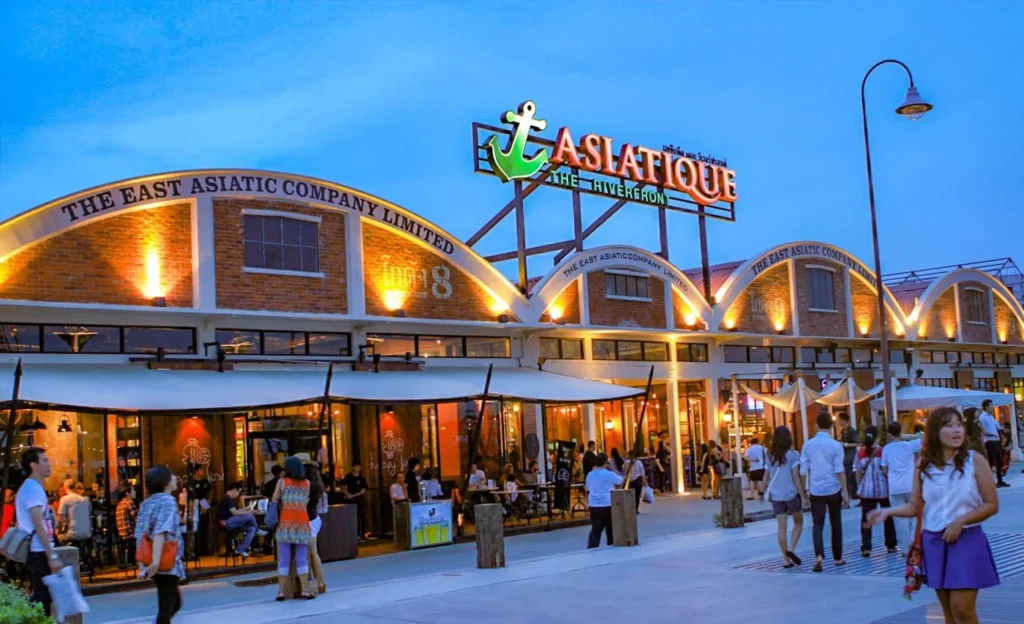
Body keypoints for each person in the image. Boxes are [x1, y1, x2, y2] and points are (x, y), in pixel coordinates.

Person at [868, 407, 1000, 624]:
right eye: (949, 426)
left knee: (962, 609)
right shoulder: (923, 464)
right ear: (935, 431)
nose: (957, 430)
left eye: (959, 425)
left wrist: (961, 521)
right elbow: (914, 506)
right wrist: (888, 511)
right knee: (948, 611)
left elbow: (992, 504)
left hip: (967, 539)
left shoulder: (975, 461)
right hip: (934, 541)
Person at [135, 465, 185, 624]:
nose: (175, 477)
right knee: (166, 607)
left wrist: (144, 564)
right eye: (171, 475)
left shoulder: (146, 503)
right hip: (165, 561)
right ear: (165, 482)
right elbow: (160, 531)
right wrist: (156, 562)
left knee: (173, 603)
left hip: (154, 559)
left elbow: (140, 533)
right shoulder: (168, 501)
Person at [800, 411, 849, 572]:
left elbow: (803, 471)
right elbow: (839, 470)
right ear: (831, 426)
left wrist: (803, 491)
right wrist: (845, 492)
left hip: (816, 489)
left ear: (816, 425)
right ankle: (838, 557)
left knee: (817, 524)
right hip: (833, 488)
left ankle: (819, 555)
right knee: (836, 522)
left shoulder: (808, 445)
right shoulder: (835, 445)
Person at [16, 448, 63, 616]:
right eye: (44, 460)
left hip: (40, 549)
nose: (49, 464)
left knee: (44, 594)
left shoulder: (33, 488)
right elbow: (39, 525)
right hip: (38, 550)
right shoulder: (32, 489)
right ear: (33, 465)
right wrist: (52, 556)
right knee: (42, 596)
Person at [765, 426, 808, 568]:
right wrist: (803, 494)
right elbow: (796, 476)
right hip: (791, 494)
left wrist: (761, 490)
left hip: (776, 495)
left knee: (781, 528)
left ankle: (785, 559)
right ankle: (792, 549)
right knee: (798, 523)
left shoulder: (769, 454)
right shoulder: (793, 455)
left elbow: (766, 475)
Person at [273, 456, 313, 600]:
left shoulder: (282, 482)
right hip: (302, 523)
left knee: (284, 559)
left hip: (286, 523)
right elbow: (305, 501)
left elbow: (274, 499)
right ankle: (305, 590)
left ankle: (281, 591)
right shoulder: (307, 483)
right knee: (302, 559)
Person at [881, 420, 922, 555]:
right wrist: (909, 436)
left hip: (894, 487)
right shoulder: (909, 446)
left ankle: (904, 548)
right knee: (914, 515)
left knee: (899, 518)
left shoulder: (886, 449)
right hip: (910, 485)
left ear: (889, 433)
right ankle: (914, 541)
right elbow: (925, 437)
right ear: (901, 431)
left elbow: (884, 468)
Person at [855, 426, 897, 557]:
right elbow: (886, 469)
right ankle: (890, 545)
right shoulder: (882, 451)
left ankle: (866, 547)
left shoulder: (860, 453)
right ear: (877, 437)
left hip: (867, 491)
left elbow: (858, 472)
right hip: (883, 489)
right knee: (888, 516)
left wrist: (859, 486)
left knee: (866, 518)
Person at [584, 453, 623, 548]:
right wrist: (613, 468)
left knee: (596, 530)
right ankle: (611, 545)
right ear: (606, 463)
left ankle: (592, 548)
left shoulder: (590, 474)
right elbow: (621, 480)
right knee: (610, 529)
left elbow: (588, 488)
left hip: (594, 504)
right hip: (608, 503)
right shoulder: (609, 474)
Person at [218, 481, 260, 558]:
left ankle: (240, 549)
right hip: (228, 521)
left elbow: (236, 511)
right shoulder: (227, 498)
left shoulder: (229, 499)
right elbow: (234, 512)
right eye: (238, 492)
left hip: (233, 521)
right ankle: (258, 530)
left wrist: (247, 508)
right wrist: (249, 511)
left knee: (251, 529)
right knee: (250, 516)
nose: (238, 495)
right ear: (234, 489)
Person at [304, 461, 327, 595]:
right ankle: (320, 581)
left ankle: (320, 581)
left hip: (309, 519)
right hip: (314, 518)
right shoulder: (319, 485)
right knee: (313, 552)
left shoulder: (308, 486)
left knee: (312, 553)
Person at [978, 399, 1009, 487]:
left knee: (999, 461)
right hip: (989, 441)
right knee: (991, 462)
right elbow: (982, 429)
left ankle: (1000, 480)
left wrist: (1002, 427)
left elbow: (998, 426)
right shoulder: (982, 417)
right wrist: (990, 433)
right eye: (991, 405)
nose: (992, 407)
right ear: (986, 406)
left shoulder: (991, 416)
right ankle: (990, 482)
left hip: (996, 440)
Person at [836, 412, 859, 501]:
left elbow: (857, 444)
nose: (838, 422)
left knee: (849, 476)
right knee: (846, 476)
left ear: (844, 420)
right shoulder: (843, 431)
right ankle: (849, 494)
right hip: (845, 457)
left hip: (850, 456)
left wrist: (845, 444)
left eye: (839, 420)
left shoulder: (852, 430)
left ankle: (852, 494)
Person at [342, 463, 368, 539]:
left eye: (359, 466)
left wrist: (352, 496)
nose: (358, 468)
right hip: (349, 501)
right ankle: (352, 534)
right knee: (350, 517)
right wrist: (347, 494)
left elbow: (363, 490)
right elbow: (343, 486)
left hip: (359, 500)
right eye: (356, 466)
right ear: (352, 467)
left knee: (360, 516)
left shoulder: (362, 479)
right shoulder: (348, 477)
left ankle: (361, 535)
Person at [115, 483, 138, 562]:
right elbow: (137, 519)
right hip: (130, 534)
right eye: (133, 490)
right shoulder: (129, 502)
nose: (135, 492)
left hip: (122, 535)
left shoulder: (119, 504)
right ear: (127, 493)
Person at [744, 437, 768, 502]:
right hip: (761, 466)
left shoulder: (749, 449)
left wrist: (752, 460)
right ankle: (760, 493)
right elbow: (767, 455)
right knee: (760, 480)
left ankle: (752, 495)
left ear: (751, 443)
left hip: (752, 467)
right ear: (758, 442)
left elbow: (745, 457)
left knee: (752, 480)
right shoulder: (763, 448)